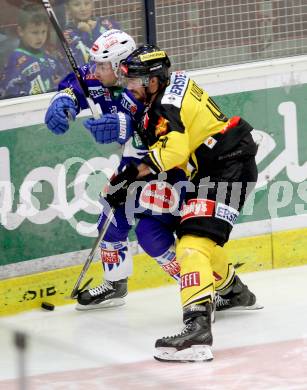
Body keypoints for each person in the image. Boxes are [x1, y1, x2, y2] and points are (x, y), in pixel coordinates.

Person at [105, 44, 261, 362]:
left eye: (135, 80)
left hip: (226, 168)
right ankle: (234, 292)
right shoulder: (175, 83)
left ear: (153, 80)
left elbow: (173, 153)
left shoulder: (164, 106)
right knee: (199, 238)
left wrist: (128, 178)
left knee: (191, 245)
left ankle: (197, 330)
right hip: (222, 164)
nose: (130, 86)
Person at [44, 29, 186, 311]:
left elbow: (162, 131)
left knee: (152, 235)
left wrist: (125, 126)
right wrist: (63, 102)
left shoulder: (146, 85)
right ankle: (115, 283)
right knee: (110, 220)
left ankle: (201, 285)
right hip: (132, 166)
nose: (96, 70)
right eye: (95, 62)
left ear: (121, 65)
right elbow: (75, 85)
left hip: (165, 167)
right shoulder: (98, 75)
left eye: (103, 65)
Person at [1, 4, 64, 98]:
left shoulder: (48, 55)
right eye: (35, 32)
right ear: (21, 31)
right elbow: (10, 91)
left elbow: (62, 73)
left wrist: (61, 80)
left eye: (43, 32)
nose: (40, 37)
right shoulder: (16, 60)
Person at [63, 0, 120, 66]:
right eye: (76, 5)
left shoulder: (108, 24)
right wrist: (87, 34)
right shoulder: (67, 35)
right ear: (68, 8)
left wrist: (93, 32)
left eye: (87, 3)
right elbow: (79, 63)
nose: (83, 9)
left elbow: (117, 52)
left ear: (92, 4)